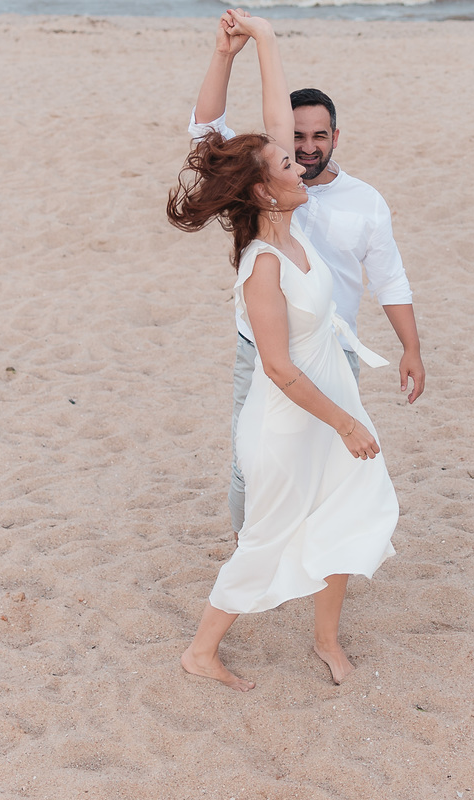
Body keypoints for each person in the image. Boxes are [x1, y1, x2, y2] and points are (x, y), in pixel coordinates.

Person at [167, 10, 398, 691]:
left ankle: (325, 637)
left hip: (331, 396)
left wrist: (266, 40)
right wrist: (347, 421)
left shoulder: (297, 229)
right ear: (267, 190)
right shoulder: (264, 261)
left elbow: (270, 124)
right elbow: (275, 368)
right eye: (287, 161)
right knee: (266, 534)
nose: (303, 163)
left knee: (349, 510)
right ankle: (200, 651)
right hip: (293, 415)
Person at [188, 14, 426, 536]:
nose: (306, 149)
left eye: (319, 136)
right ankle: (248, 553)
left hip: (334, 346)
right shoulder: (268, 180)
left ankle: (314, 556)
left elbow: (390, 279)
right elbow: (207, 133)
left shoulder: (363, 201)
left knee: (329, 463)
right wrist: (230, 53)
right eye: (295, 138)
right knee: (251, 465)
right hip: (263, 348)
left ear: (336, 136)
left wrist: (410, 348)